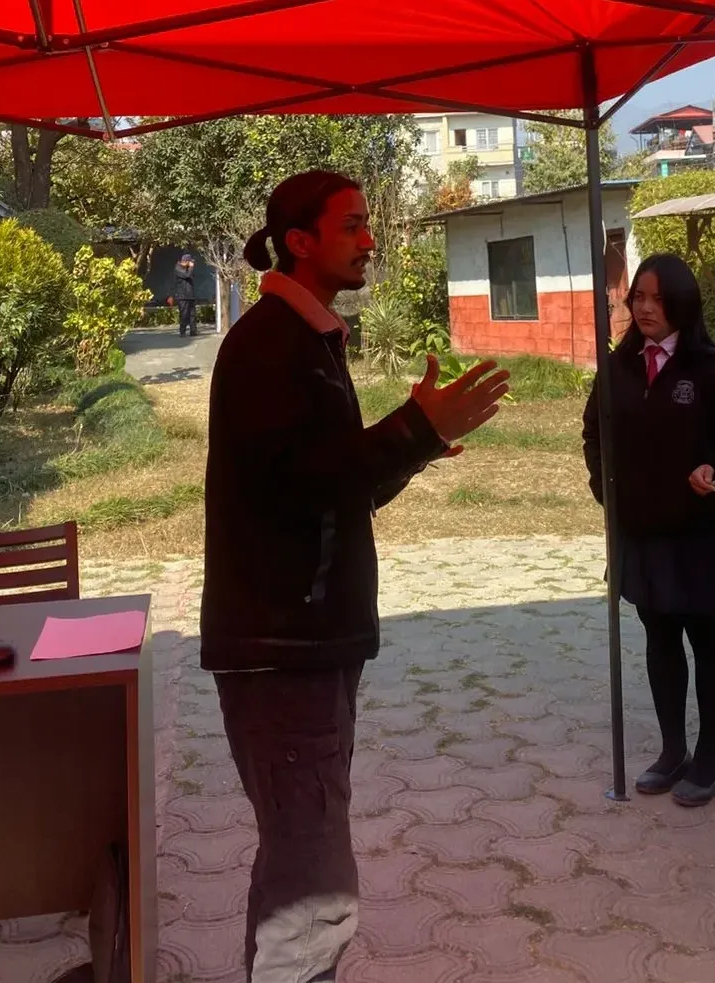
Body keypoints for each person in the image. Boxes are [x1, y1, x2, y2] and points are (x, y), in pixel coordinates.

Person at [200, 170, 509, 982]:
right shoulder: (268, 346)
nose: (371, 240)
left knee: (296, 863)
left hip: (310, 645)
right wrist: (409, 427)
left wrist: (418, 441)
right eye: (353, 226)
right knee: (313, 891)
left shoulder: (308, 340)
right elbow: (292, 485)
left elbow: (345, 489)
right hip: (283, 650)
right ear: (300, 242)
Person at [582, 254, 715, 806]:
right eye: (638, 300)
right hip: (640, 532)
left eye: (657, 299)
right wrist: (609, 494)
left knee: (707, 640)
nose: (645, 309)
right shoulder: (617, 366)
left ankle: (710, 756)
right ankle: (672, 750)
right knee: (659, 638)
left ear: (681, 303)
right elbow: (593, 435)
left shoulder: (714, 370)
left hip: (698, 536)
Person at [174, 253, 197, 337]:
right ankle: (182, 332)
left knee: (192, 314)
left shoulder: (189, 269)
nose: (191, 263)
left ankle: (193, 331)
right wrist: (191, 267)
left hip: (190, 295)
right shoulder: (178, 268)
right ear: (186, 261)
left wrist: (190, 268)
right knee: (184, 314)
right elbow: (186, 275)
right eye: (190, 262)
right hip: (182, 296)